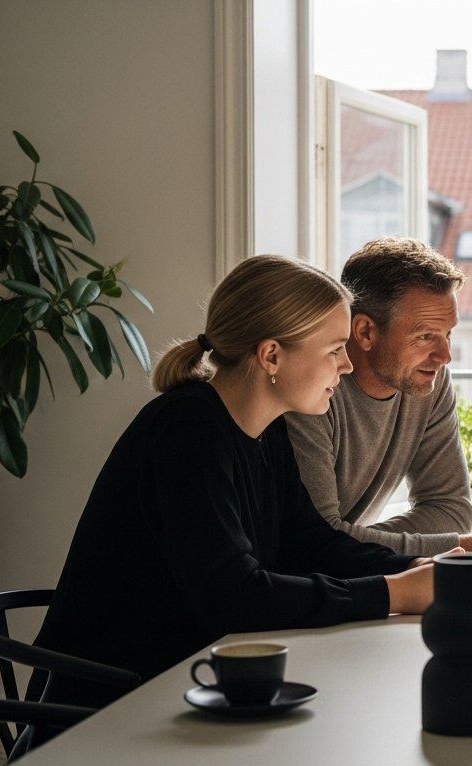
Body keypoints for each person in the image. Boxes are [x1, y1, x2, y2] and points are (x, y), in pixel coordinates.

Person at [35, 255, 445, 711]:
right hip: (110, 702)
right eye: (334, 350)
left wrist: (414, 567)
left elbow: (309, 543)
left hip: (190, 680)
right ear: (271, 355)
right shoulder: (187, 429)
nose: (347, 366)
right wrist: (391, 594)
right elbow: (234, 596)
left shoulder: (265, 429)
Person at [286, 237, 472, 565]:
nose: (445, 356)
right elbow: (318, 543)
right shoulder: (311, 389)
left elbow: (450, 510)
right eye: (425, 336)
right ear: (365, 332)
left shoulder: (427, 381)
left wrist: (358, 543)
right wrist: (469, 546)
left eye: (448, 334)